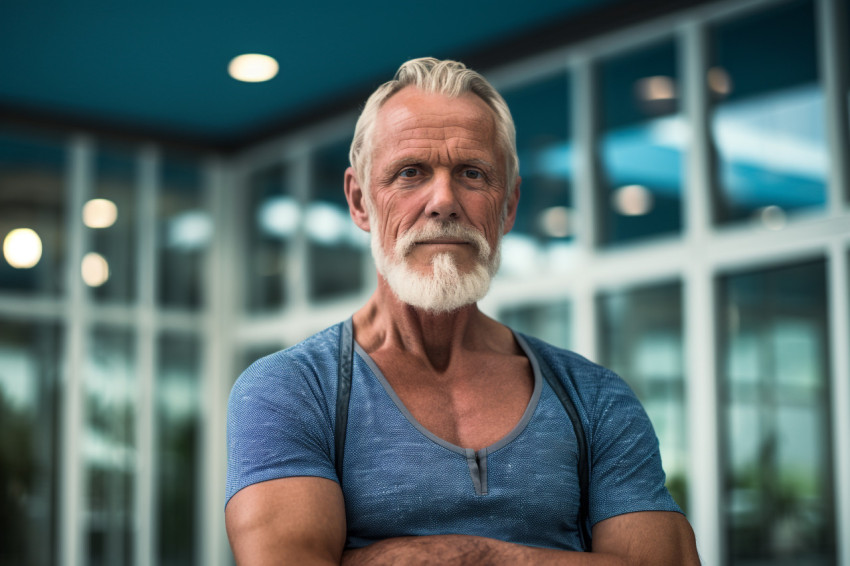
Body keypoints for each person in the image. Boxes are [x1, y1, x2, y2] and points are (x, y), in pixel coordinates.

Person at [225, 57, 701, 565]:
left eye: (473, 173)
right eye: (411, 173)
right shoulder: (292, 389)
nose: (444, 201)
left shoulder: (594, 397)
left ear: (509, 205)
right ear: (360, 201)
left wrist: (464, 556)